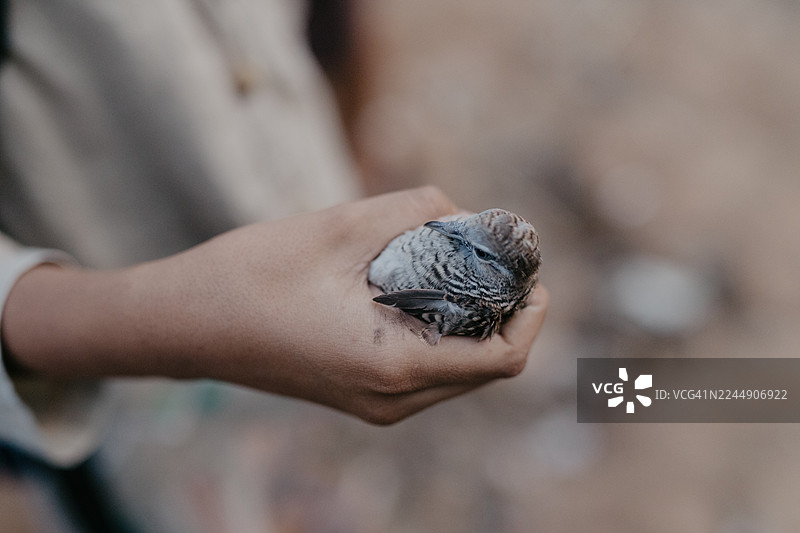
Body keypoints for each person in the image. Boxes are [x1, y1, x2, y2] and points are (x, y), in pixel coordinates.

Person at [0, 0, 547, 469]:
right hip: (92, 366)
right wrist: (182, 324)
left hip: (312, 180)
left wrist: (356, 144)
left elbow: (330, 19)